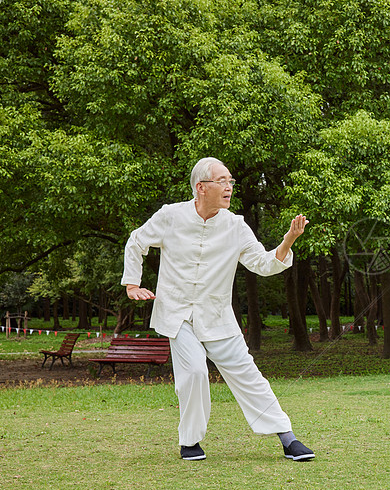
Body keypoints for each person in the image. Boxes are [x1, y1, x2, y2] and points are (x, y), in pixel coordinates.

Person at [122, 157, 315, 462]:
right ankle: (190, 442)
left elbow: (263, 264)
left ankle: (287, 438)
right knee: (195, 372)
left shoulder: (235, 226)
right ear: (201, 187)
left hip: (217, 316)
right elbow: (136, 241)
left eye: (231, 182)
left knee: (247, 373)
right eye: (222, 181)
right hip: (177, 315)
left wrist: (289, 239)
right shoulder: (170, 216)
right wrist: (132, 284)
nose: (229, 187)